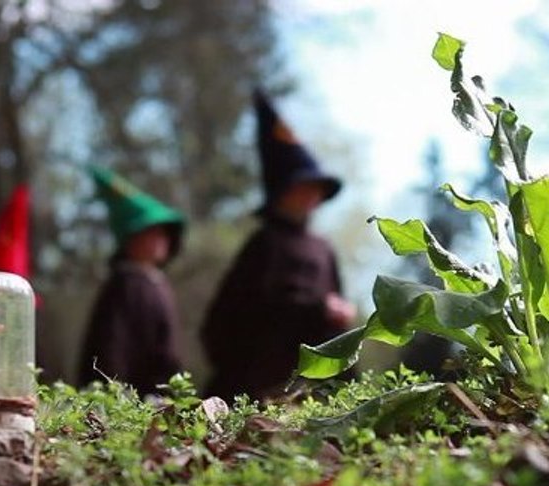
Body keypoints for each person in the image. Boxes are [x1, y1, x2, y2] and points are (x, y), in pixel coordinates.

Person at [200, 90, 356, 401]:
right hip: (259, 381)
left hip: (312, 384)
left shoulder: (323, 249)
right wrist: (317, 310)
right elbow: (238, 316)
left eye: (315, 189)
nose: (310, 196)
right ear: (282, 192)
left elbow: (334, 307)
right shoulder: (264, 245)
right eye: (303, 187)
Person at [78, 166, 185, 397]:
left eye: (162, 233)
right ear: (130, 239)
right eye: (151, 233)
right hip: (133, 398)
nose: (160, 240)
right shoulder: (124, 286)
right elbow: (111, 349)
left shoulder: (157, 283)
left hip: (161, 395)